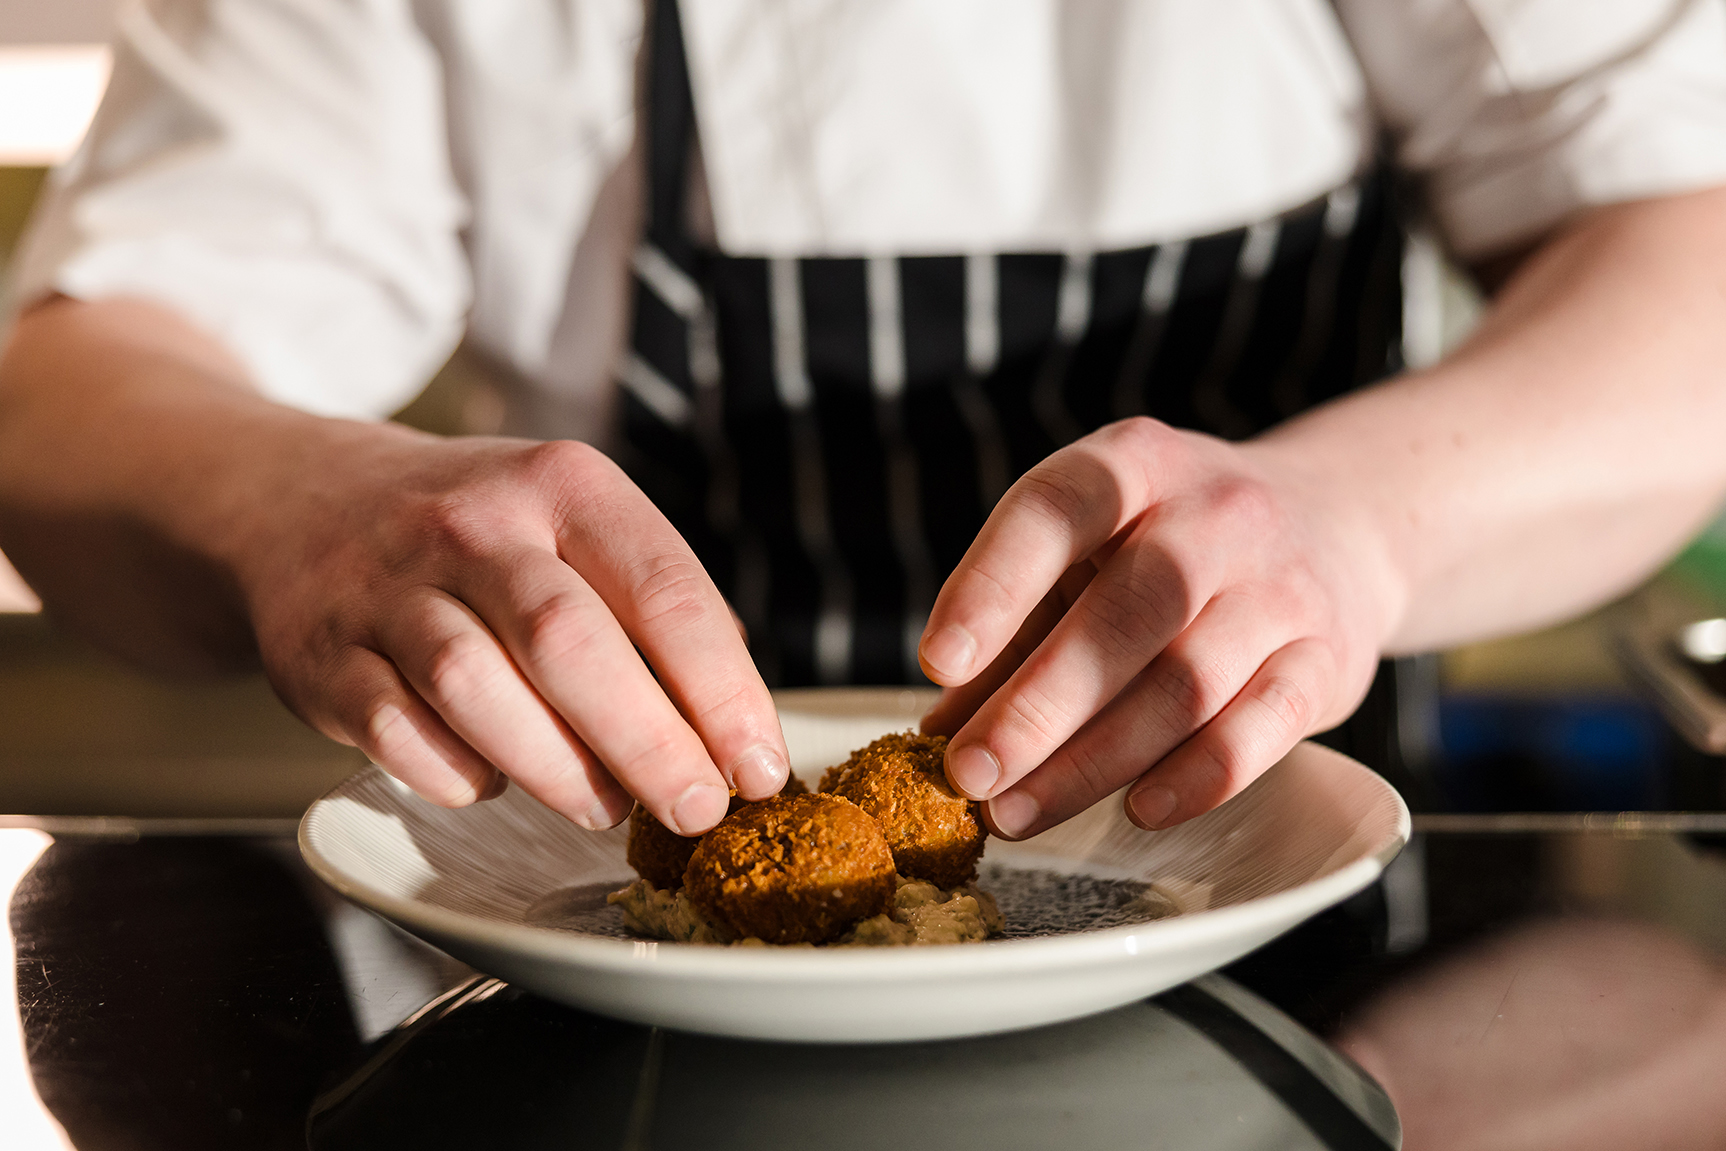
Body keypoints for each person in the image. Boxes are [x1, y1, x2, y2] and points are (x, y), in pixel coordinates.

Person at [4, 0, 1726, 844]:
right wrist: (289, 499)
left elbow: (1692, 253)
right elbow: (64, 397)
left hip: (1287, 898)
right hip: (613, 940)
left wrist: (1354, 525)